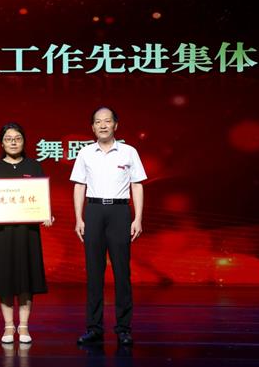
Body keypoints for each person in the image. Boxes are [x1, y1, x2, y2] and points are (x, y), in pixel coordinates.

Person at [71, 107, 146, 346]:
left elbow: (137, 185)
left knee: (122, 272)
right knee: (94, 272)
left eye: (107, 121)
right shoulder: (85, 153)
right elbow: (79, 186)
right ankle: (94, 328)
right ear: (92, 127)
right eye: (98, 122)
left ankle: (123, 328)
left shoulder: (129, 152)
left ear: (116, 125)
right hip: (93, 211)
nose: (103, 125)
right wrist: (79, 218)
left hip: (119, 212)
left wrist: (138, 218)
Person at [0, 122, 53, 344]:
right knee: (4, 279)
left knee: (25, 278)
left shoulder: (34, 166)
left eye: (18, 138)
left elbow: (41, 197)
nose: (13, 142)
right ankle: (8, 326)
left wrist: (46, 214)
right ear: (2, 143)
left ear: (24, 141)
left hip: (27, 232)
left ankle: (23, 326)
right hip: (1, 233)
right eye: (8, 139)